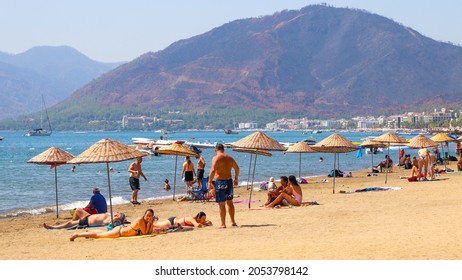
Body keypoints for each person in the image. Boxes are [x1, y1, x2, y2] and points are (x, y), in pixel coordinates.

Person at [70, 209, 155, 241]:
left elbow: (149, 232)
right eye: (147, 215)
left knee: (103, 232)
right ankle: (77, 235)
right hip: (119, 232)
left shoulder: (146, 222)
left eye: (150, 216)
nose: (148, 217)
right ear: (144, 215)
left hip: (120, 230)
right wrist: (151, 222)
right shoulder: (140, 220)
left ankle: (89, 232)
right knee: (98, 235)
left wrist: (151, 222)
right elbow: (145, 233)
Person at [208, 143, 240, 228]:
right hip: (229, 181)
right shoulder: (229, 158)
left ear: (216, 150)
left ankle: (223, 224)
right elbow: (237, 168)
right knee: (230, 202)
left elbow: (213, 170)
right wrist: (236, 178)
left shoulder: (216, 158)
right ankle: (233, 222)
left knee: (221, 204)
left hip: (220, 182)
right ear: (223, 149)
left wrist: (209, 182)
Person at [44, 210, 126, 230]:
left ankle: (53, 227)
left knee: (70, 223)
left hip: (87, 222)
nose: (117, 212)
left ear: (118, 216)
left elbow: (118, 222)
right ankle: (74, 221)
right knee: (78, 210)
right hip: (89, 216)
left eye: (118, 213)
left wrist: (120, 218)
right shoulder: (110, 214)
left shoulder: (113, 219)